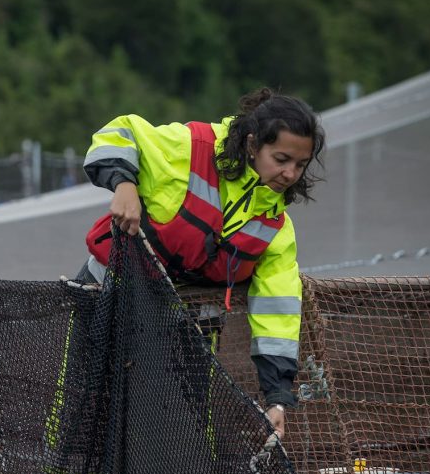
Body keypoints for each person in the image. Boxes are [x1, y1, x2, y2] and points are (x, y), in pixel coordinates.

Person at [80, 88, 326, 441]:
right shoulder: (191, 146)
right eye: (282, 158)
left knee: (189, 428)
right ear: (253, 144)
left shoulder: (276, 229)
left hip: (193, 326)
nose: (290, 174)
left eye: (300, 165)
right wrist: (123, 185)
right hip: (109, 295)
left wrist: (277, 399)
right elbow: (119, 132)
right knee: (85, 407)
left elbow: (278, 312)